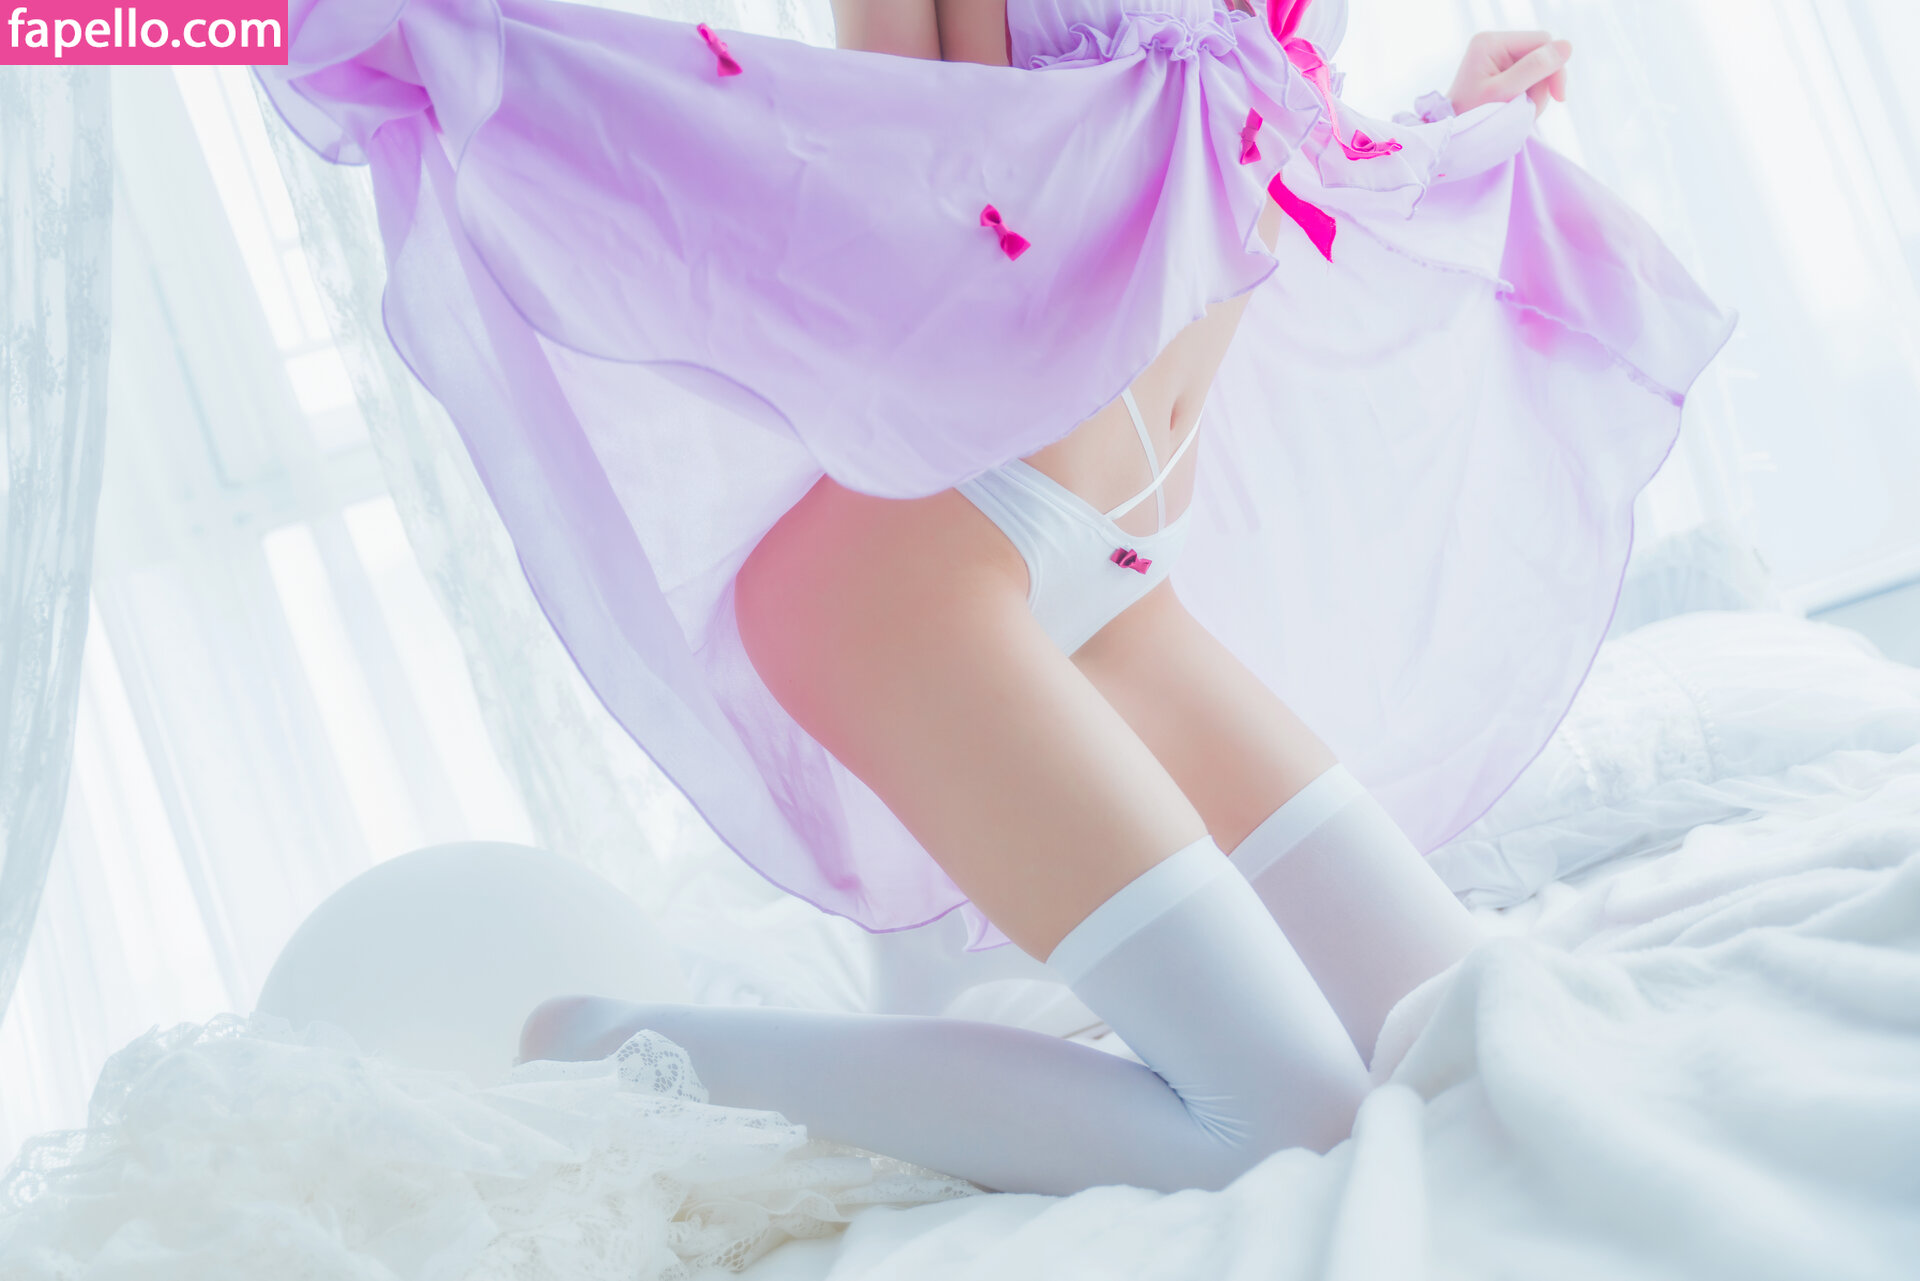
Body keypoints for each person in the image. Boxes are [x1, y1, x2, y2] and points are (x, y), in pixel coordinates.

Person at [261, 0, 1733, 1194]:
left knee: (1463, 1016)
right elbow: (868, 162)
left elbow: (1265, 158)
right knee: (1288, 1121)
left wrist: (1450, 114)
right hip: (922, 577)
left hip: (1119, 584)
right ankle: (604, 1044)